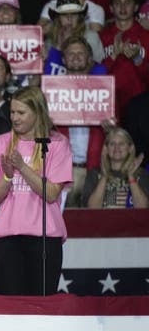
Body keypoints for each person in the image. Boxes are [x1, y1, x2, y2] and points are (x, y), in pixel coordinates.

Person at [0, 86, 72, 295]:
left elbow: (51, 193)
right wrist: (7, 176)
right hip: (8, 239)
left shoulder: (58, 144)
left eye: (21, 113)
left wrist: (22, 167)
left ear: (37, 112)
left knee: (42, 308)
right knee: (11, 310)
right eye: (12, 112)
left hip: (44, 239)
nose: (14, 117)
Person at [56, 36, 108, 208]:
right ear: (63, 59)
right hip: (62, 171)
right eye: (71, 54)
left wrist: (111, 128)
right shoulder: (52, 90)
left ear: (89, 59)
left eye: (81, 53)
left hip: (94, 169)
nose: (76, 57)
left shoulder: (104, 90)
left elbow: (116, 134)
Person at [99, 0, 149, 123]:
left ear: (136, 7)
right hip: (108, 103)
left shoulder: (145, 36)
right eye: (118, 3)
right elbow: (95, 76)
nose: (122, 7)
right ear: (111, 8)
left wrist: (137, 59)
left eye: (127, 2)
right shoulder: (102, 37)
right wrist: (113, 55)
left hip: (139, 106)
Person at [83, 128, 148, 208]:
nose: (117, 147)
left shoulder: (141, 174)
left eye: (121, 144)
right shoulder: (94, 174)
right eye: (112, 144)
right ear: (106, 149)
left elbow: (143, 209)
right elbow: (92, 209)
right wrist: (105, 175)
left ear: (130, 148)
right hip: (103, 220)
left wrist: (131, 176)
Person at [43, 0, 104, 76]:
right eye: (65, 15)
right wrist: (59, 46)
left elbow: (98, 69)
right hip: (58, 85)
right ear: (58, 18)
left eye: (74, 14)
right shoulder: (50, 41)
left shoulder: (91, 37)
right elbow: (48, 75)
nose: (69, 19)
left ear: (79, 17)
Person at [38, 0, 105, 34]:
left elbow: (94, 42)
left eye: (74, 13)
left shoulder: (96, 9)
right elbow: (38, 32)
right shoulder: (51, 6)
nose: (69, 17)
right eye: (64, 14)